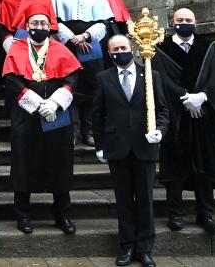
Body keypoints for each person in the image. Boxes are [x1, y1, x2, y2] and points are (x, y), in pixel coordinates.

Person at [152, 8, 215, 234]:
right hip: (175, 116)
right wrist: (184, 98)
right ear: (172, 22)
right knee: (176, 168)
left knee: (204, 167)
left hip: (203, 116)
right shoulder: (160, 49)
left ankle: (206, 213)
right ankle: (176, 213)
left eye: (188, 20)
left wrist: (202, 96)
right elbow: (159, 78)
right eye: (179, 20)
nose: (183, 23)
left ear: (195, 23)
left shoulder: (207, 47)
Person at [2, 5, 81, 235]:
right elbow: (13, 81)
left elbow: (72, 77)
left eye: (43, 24)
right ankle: (23, 214)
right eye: (34, 24)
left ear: (50, 27)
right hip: (26, 117)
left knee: (61, 163)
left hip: (56, 114)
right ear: (27, 27)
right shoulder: (16, 49)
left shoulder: (60, 49)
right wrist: (36, 104)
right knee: (23, 164)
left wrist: (55, 102)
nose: (38, 27)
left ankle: (62, 214)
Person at [92, 35, 168, 267]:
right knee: (123, 200)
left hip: (144, 146)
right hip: (117, 147)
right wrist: (99, 145)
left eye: (123, 47)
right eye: (114, 49)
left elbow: (163, 111)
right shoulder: (103, 78)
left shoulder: (151, 75)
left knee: (145, 199)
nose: (119, 52)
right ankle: (126, 247)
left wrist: (161, 131)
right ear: (109, 52)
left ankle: (145, 249)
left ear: (132, 48)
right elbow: (97, 114)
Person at [52, 0, 114, 146]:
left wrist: (85, 36)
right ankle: (72, 130)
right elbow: (56, 22)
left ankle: (89, 131)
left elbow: (104, 22)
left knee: (92, 88)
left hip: (90, 46)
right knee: (69, 86)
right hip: (67, 46)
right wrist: (72, 38)